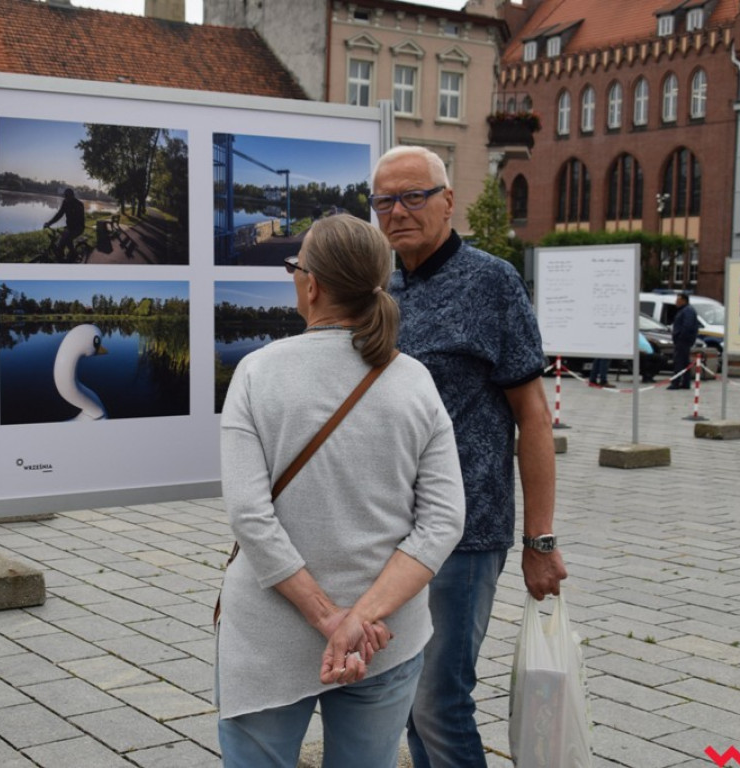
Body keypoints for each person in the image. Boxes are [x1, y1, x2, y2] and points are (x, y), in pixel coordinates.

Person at [217, 214, 465, 768]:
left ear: (312, 283)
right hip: (386, 634)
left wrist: (332, 620)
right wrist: (359, 620)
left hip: (268, 633)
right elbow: (444, 521)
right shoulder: (414, 380)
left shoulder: (257, 373)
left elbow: (250, 516)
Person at [371, 145, 567, 768]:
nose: (397, 212)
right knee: (405, 699)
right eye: (384, 201)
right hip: (386, 532)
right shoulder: (379, 286)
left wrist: (540, 541)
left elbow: (533, 418)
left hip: (465, 528)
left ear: (448, 200)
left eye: (413, 196)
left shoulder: (492, 281)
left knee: (438, 702)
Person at [43, 187, 85, 262]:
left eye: (67, 196)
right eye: (65, 196)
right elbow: (59, 214)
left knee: (67, 238)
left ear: (72, 196)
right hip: (69, 227)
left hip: (79, 228)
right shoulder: (65, 202)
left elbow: (79, 220)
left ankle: (74, 254)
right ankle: (61, 258)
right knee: (60, 246)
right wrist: (49, 223)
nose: (66, 198)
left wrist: (68, 230)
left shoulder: (79, 205)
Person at [668, 293, 699, 390]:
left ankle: (676, 382)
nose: (676, 303)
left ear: (684, 301)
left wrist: (680, 337)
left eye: (678, 300)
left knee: (679, 361)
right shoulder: (684, 310)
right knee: (685, 362)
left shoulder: (687, 311)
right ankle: (685, 382)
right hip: (683, 340)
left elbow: (687, 326)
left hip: (683, 341)